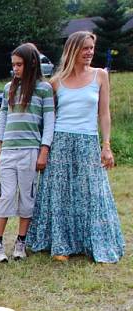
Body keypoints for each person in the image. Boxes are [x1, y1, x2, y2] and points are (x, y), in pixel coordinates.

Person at [27, 31, 124, 263]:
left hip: (88, 141)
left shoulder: (101, 76)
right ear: (73, 50)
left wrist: (106, 144)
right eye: (85, 48)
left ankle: (92, 241)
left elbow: (104, 113)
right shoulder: (56, 82)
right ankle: (61, 244)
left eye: (91, 48)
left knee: (91, 193)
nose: (89, 52)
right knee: (60, 194)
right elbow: (47, 117)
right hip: (60, 141)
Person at [0, 43, 55, 263]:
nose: (15, 69)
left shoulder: (44, 89)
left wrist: (43, 151)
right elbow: (3, 117)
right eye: (13, 65)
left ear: (32, 63)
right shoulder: (8, 88)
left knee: (27, 197)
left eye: (19, 65)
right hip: (9, 150)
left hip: (30, 150)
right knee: (6, 195)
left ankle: (21, 242)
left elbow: (49, 123)